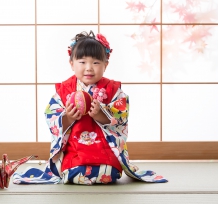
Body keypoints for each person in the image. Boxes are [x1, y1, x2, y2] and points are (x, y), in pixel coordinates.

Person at [13, 30, 167, 185]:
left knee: (108, 172)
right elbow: (51, 118)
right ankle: (74, 169)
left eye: (95, 62)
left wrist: (101, 114)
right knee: (73, 171)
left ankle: (102, 169)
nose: (89, 68)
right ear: (71, 64)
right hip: (74, 149)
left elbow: (121, 116)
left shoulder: (113, 90)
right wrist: (68, 117)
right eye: (82, 62)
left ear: (105, 65)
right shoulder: (64, 90)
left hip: (104, 149)